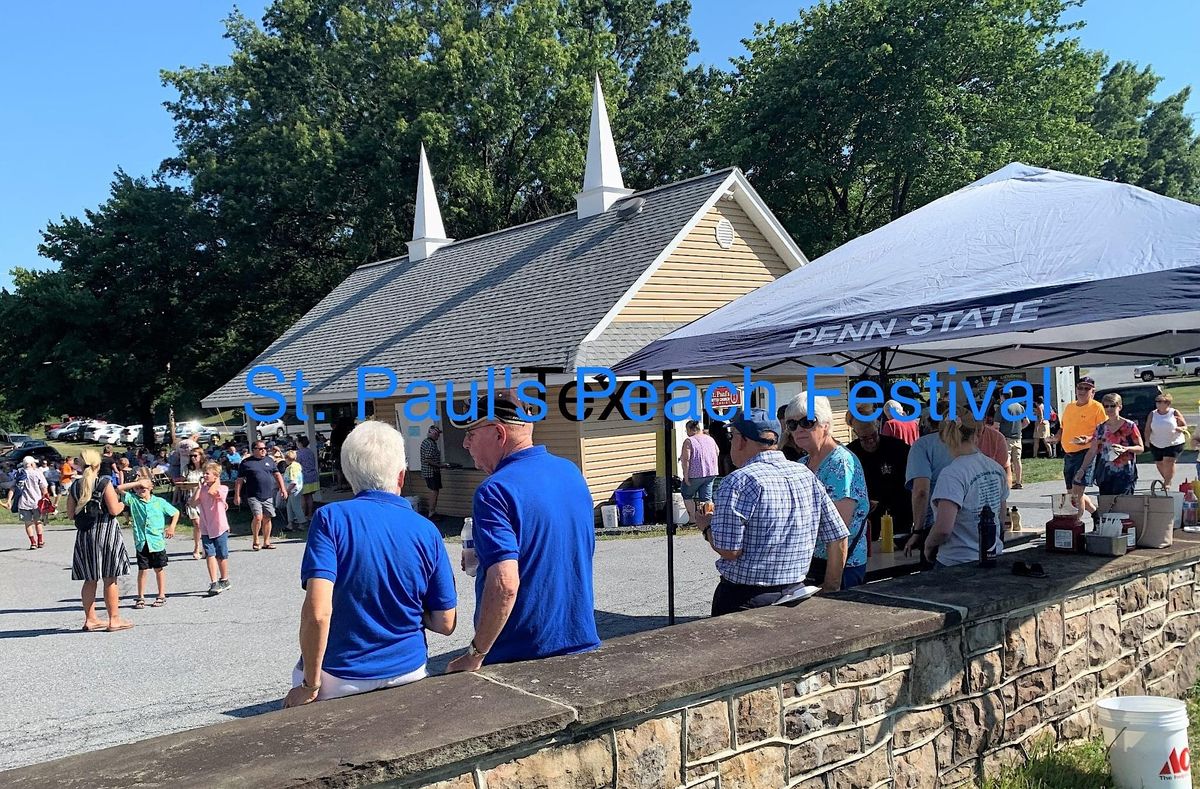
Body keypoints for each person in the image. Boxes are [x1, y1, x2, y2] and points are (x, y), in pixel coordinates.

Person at [284, 422, 456, 707]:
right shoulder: (427, 530)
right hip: (408, 669)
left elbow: (317, 613)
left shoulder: (330, 519)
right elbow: (445, 622)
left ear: (349, 475)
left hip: (341, 675)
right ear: (401, 475)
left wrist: (309, 684)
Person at [446, 394, 600, 671]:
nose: (465, 443)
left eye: (471, 433)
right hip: (581, 643)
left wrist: (475, 654)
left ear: (497, 433)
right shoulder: (570, 472)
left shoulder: (495, 490)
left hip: (520, 656)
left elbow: (504, 585)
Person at [698, 407, 848, 615]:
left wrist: (706, 526)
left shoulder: (738, 481)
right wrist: (832, 587)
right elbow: (838, 535)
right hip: (796, 593)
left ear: (741, 440)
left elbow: (729, 550)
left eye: (732, 437)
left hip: (744, 597)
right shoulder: (805, 474)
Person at [786, 395, 870, 590]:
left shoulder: (841, 463)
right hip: (807, 566)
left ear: (825, 424)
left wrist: (831, 586)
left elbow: (838, 532)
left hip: (839, 569)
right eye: (792, 424)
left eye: (807, 422)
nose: (799, 429)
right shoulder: (801, 465)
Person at [924, 411, 1008, 568]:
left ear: (943, 438)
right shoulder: (996, 468)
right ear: (976, 432)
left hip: (957, 560)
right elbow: (1001, 518)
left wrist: (928, 546)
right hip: (992, 554)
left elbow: (943, 528)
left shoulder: (952, 474)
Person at [69, 449, 134, 632]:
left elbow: (70, 514)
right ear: (98, 465)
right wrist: (123, 503)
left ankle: (90, 619)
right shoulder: (104, 483)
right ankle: (114, 619)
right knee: (110, 578)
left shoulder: (75, 486)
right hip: (106, 532)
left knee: (90, 579)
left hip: (85, 535)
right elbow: (114, 510)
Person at [904, 400, 956, 562]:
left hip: (934, 524)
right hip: (965, 522)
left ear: (928, 420)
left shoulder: (922, 446)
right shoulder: (964, 444)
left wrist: (917, 531)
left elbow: (921, 491)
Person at [846, 415, 913, 541]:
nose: (871, 441)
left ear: (878, 427)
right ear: (856, 433)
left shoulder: (897, 448)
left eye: (873, 435)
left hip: (899, 511)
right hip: (867, 517)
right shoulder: (850, 454)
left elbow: (908, 480)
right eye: (864, 438)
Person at [117, 477, 179, 608]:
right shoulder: (133, 500)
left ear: (151, 488)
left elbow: (175, 512)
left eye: (143, 488)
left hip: (156, 541)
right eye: (138, 488)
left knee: (159, 568)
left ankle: (161, 595)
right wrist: (138, 483)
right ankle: (140, 596)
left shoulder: (159, 502)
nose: (140, 490)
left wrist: (172, 527)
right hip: (142, 541)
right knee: (143, 569)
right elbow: (119, 488)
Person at [1074, 393, 1144, 496]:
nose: (1109, 409)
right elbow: (1092, 451)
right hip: (1105, 473)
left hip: (1125, 474)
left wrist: (1126, 448)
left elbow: (1141, 448)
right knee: (1106, 506)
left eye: (1113, 406)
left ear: (1119, 407)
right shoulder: (1101, 428)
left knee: (1123, 506)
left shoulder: (1129, 426)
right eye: (1106, 406)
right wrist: (1082, 470)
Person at [1056, 377, 1107, 507]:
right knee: (1071, 492)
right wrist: (1056, 437)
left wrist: (1088, 439)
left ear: (1093, 392)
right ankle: (1094, 513)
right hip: (1069, 454)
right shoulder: (1070, 407)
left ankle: (1077, 524)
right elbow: (1063, 427)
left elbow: (1103, 432)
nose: (1082, 391)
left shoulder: (1097, 407)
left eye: (1087, 388)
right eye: (1080, 387)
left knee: (1076, 493)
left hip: (1086, 453)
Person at [235, 440, 288, 550]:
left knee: (267, 517)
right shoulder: (246, 463)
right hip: (253, 494)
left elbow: (277, 475)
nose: (264, 450)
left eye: (265, 448)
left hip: (268, 494)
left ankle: (266, 541)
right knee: (258, 517)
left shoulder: (269, 460)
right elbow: (239, 480)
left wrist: (283, 489)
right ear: (254, 450)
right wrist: (237, 495)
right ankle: (255, 540)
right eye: (261, 449)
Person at [191, 461, 232, 596]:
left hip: (219, 527)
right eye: (204, 473)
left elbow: (213, 491)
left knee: (221, 556)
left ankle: (224, 579)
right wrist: (198, 487)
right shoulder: (202, 488)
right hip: (206, 527)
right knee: (210, 554)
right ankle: (214, 582)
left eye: (207, 473)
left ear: (216, 476)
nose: (205, 476)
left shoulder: (222, 488)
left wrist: (216, 479)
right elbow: (193, 503)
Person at [679, 420, 720, 524]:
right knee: (706, 498)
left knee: (687, 494)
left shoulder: (689, 441)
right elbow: (717, 452)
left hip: (695, 473)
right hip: (711, 471)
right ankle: (709, 519)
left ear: (690, 429)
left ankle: (692, 519)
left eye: (686, 430)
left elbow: (686, 459)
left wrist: (686, 476)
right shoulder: (710, 439)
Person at [1146, 392, 1189, 488]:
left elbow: (1185, 426)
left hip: (1173, 442)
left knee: (1168, 461)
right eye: (1157, 401)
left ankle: (1167, 483)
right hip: (1156, 442)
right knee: (1159, 463)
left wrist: (1180, 429)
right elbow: (1148, 428)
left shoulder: (1174, 412)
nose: (1158, 403)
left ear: (1167, 403)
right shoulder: (1153, 414)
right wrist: (1147, 440)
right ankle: (1166, 479)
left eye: (1161, 401)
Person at [6, 456, 49, 549]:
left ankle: (33, 542)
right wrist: (47, 499)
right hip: (37, 502)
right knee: (38, 522)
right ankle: (40, 541)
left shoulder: (19, 474)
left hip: (24, 502)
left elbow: (12, 487)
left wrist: (9, 500)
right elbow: (44, 488)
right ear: (32, 464)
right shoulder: (37, 473)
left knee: (28, 523)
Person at [178, 448, 206, 560]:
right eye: (191, 456)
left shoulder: (205, 469)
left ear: (201, 456)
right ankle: (196, 547)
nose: (193, 458)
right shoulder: (187, 469)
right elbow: (182, 482)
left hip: (204, 499)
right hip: (191, 498)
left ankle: (205, 547)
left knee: (205, 524)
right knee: (197, 524)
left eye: (195, 455)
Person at [995, 400, 1030, 489]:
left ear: (1001, 396)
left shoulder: (1002, 407)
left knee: (1007, 461)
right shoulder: (1019, 406)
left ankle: (1007, 483)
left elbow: (996, 426)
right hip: (1018, 438)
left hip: (1006, 438)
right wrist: (1019, 429)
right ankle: (1018, 482)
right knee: (1017, 461)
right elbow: (1027, 422)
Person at [419, 425, 445, 518]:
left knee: (433, 491)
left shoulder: (426, 442)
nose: (438, 436)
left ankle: (432, 511)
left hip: (428, 472)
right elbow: (428, 459)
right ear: (433, 433)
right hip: (432, 472)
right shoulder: (430, 444)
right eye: (437, 434)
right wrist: (440, 465)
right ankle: (431, 512)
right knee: (434, 492)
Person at [296, 435, 319, 520]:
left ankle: (302, 515)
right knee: (309, 496)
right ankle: (309, 514)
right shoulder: (310, 452)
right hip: (312, 475)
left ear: (300, 443)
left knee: (303, 496)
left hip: (304, 476)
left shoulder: (299, 453)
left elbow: (296, 464)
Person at [282, 449, 305, 531]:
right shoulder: (297, 465)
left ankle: (301, 523)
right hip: (296, 489)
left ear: (288, 458)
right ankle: (290, 524)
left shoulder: (292, 468)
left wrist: (287, 491)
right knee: (289, 507)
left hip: (293, 490)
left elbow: (293, 481)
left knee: (296, 507)